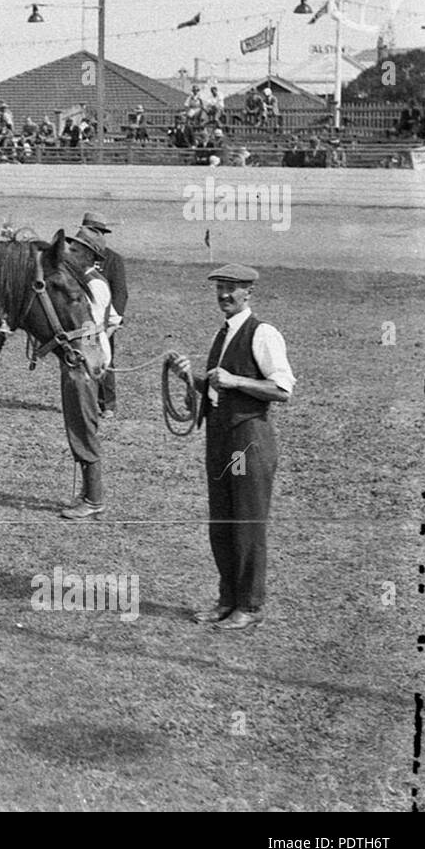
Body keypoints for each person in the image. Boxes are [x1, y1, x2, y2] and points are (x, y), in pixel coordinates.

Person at [167, 264, 295, 631]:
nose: (224, 295)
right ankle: (227, 599)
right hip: (221, 440)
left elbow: (282, 390)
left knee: (246, 523)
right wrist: (187, 376)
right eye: (220, 288)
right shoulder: (221, 333)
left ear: (248, 293)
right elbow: (216, 388)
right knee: (222, 523)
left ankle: (250, 605)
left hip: (246, 442)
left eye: (232, 289)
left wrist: (235, 379)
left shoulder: (263, 333)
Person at [58, 227, 119, 520]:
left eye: (77, 249)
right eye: (71, 245)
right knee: (77, 423)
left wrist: (87, 358)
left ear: (90, 256)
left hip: (85, 360)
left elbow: (90, 329)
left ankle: (94, 499)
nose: (70, 251)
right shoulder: (84, 280)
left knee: (83, 426)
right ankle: (87, 492)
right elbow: (114, 319)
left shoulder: (93, 285)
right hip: (81, 358)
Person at [78, 211, 126, 419]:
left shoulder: (113, 259)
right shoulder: (74, 259)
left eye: (99, 232)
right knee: (80, 359)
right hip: (79, 319)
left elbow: (120, 292)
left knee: (105, 360)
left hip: (103, 319)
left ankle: (107, 404)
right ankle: (84, 401)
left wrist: (113, 323)